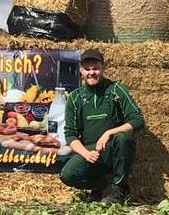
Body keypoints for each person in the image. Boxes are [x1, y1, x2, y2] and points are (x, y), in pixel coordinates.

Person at [58, 49, 146, 204]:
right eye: (87, 69)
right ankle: (102, 185)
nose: (92, 72)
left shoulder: (116, 89)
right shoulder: (75, 98)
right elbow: (70, 135)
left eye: (96, 68)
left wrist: (109, 133)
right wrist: (86, 154)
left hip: (113, 149)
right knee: (68, 175)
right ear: (81, 71)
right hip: (92, 153)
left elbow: (138, 120)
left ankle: (119, 188)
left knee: (123, 138)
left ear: (103, 68)